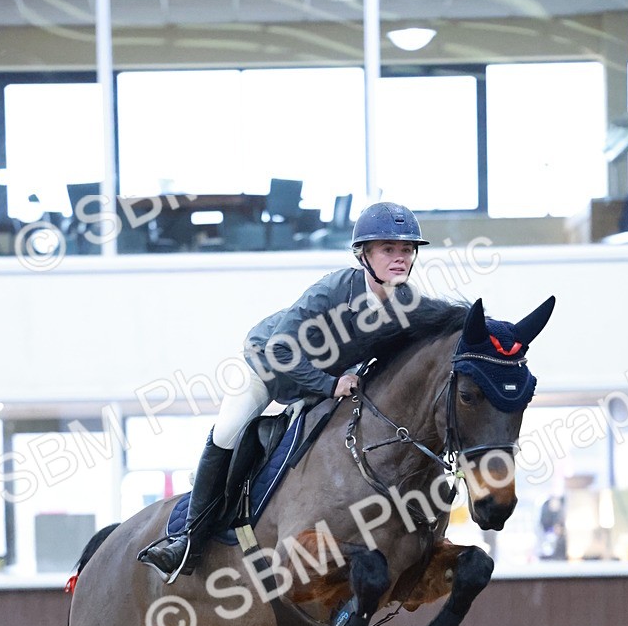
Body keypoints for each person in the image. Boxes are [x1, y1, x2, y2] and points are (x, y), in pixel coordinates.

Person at [139, 201, 431, 582]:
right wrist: (330, 384)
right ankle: (187, 538)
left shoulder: (407, 305)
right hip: (270, 367)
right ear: (364, 254)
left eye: (406, 250)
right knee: (228, 431)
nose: (400, 258)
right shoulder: (333, 290)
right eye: (388, 250)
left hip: (324, 387)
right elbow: (280, 349)